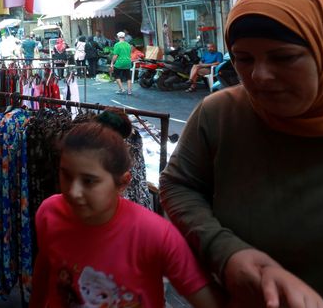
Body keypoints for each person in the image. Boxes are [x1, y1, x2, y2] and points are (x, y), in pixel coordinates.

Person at [160, 0, 323, 307]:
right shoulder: (219, 113)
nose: (260, 75)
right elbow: (179, 184)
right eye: (243, 59)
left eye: (284, 57)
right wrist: (227, 252)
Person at [30, 111, 223, 308]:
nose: (73, 191)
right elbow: (44, 274)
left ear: (122, 183)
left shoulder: (154, 234)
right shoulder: (49, 212)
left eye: (89, 181)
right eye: (66, 175)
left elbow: (204, 296)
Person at [110, 31, 133, 95]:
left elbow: (115, 55)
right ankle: (129, 91)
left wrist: (112, 63)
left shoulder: (117, 45)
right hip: (128, 62)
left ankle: (122, 89)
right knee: (128, 77)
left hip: (120, 63)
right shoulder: (128, 45)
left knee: (117, 76)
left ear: (118, 37)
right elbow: (129, 54)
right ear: (124, 37)